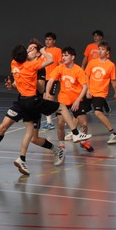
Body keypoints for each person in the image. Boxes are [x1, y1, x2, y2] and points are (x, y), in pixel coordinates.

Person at [12, 42, 90, 176]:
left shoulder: (13, 64)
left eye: (31, 48)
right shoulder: (32, 66)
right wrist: (43, 51)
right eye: (28, 49)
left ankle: (22, 158)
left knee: (30, 134)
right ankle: (76, 133)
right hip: (32, 100)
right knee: (61, 107)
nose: (29, 50)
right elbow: (50, 60)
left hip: (22, 102)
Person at [46, 47, 91, 166]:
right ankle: (61, 147)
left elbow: (85, 87)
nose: (63, 57)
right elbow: (50, 81)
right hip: (63, 100)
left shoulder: (78, 70)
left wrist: (77, 100)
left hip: (77, 100)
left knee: (84, 124)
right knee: (60, 124)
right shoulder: (60, 68)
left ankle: (82, 141)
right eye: (63, 55)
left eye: (66, 55)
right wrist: (47, 93)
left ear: (72, 57)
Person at [85, 41, 116, 145]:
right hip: (89, 91)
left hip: (100, 93)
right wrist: (87, 89)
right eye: (99, 49)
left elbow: (113, 80)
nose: (100, 51)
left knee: (98, 113)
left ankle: (114, 134)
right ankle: (74, 132)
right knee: (79, 111)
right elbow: (86, 76)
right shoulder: (92, 62)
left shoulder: (111, 65)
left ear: (107, 52)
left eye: (102, 49)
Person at [40, 32, 63, 131]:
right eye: (46, 39)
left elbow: (60, 64)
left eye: (49, 39)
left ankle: (62, 115)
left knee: (49, 98)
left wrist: (60, 76)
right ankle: (49, 122)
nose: (47, 41)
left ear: (54, 41)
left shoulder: (57, 50)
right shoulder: (42, 50)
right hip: (42, 78)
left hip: (52, 78)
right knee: (44, 98)